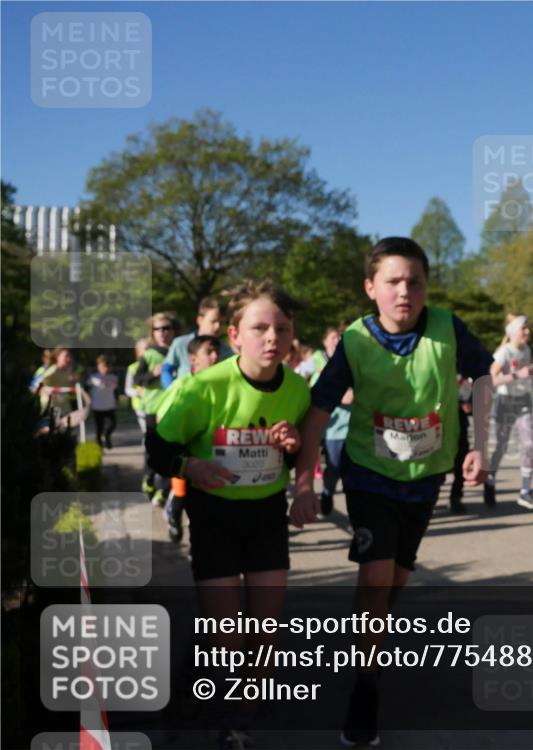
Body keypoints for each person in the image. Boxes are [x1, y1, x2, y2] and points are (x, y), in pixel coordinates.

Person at [289, 237, 494, 748]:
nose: (405, 291)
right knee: (377, 576)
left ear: (426, 287)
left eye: (415, 282)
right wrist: (303, 484)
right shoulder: (355, 340)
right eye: (393, 282)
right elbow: (318, 412)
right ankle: (365, 685)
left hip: (425, 475)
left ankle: (369, 640)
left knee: (396, 578)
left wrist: (482, 446)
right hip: (368, 473)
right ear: (371, 288)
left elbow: (485, 374)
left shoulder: (448, 328)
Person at [146, 280, 309, 749]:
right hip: (214, 519)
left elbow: (298, 454)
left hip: (265, 520)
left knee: (264, 631)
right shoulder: (203, 387)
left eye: (282, 327)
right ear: (235, 336)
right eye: (260, 328)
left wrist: (292, 447)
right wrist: (189, 465)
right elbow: (157, 446)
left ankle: (240, 717)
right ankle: (210, 697)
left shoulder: (298, 390)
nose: (272, 338)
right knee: (228, 637)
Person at [158, 335, 222, 545]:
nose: (215, 357)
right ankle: (174, 516)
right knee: (181, 492)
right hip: (186, 454)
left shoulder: (224, 384)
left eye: (216, 352)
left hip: (213, 453)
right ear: (193, 359)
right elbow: (162, 420)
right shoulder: (181, 386)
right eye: (209, 352)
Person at [485, 314, 533, 510]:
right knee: (502, 447)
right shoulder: (504, 352)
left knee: (529, 445)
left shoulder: (527, 350)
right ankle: (489, 481)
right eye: (523, 329)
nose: (527, 332)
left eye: (527, 328)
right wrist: (516, 375)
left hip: (524, 401)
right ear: (513, 332)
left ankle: (525, 491)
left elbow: (529, 371)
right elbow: (492, 379)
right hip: (505, 402)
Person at [134, 313, 178, 504]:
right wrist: (152, 373)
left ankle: (164, 489)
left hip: (174, 406)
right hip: (152, 407)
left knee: (171, 449)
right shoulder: (149, 354)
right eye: (158, 329)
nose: (162, 332)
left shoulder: (180, 352)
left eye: (166, 328)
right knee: (153, 448)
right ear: (152, 332)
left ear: (173, 330)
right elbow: (137, 379)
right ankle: (149, 477)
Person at [311, 326, 353, 517]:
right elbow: (313, 388)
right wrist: (340, 396)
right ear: (325, 341)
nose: (337, 340)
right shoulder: (318, 360)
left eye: (339, 337)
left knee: (354, 471)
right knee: (334, 467)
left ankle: (358, 510)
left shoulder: (351, 359)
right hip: (333, 428)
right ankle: (327, 492)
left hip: (355, 425)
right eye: (333, 337)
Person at [160, 297, 232, 388]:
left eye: (221, 323)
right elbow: (166, 370)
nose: (217, 327)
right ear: (200, 320)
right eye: (213, 321)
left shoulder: (227, 351)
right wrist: (172, 391)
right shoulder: (181, 343)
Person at [448, 376, 474, 514]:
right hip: (437, 422)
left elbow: (473, 406)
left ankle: (456, 497)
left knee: (461, 462)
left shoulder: (466, 374)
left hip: (460, 426)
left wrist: (469, 405)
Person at [88, 354, 120, 450]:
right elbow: (87, 389)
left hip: (109, 406)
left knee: (112, 424)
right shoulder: (93, 378)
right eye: (103, 366)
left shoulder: (114, 377)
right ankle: (99, 445)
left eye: (107, 366)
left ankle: (106, 436)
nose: (105, 368)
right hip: (97, 406)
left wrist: (117, 401)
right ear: (98, 366)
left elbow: (115, 391)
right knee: (99, 427)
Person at [39, 348, 79, 421]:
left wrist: (74, 382)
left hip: (65, 408)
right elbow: (37, 386)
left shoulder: (68, 372)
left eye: (70, 356)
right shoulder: (52, 370)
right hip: (51, 409)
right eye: (66, 356)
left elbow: (71, 389)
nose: (69, 359)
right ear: (57, 357)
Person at [124, 339, 149, 435]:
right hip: (140, 406)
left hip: (156, 403)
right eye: (145, 349)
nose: (148, 351)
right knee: (147, 431)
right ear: (138, 352)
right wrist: (137, 393)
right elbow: (127, 389)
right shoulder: (132, 368)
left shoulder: (157, 366)